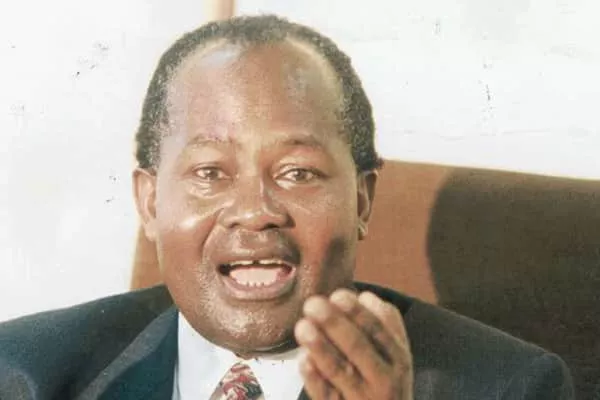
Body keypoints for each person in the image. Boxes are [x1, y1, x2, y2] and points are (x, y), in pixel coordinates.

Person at [0, 15, 574, 400]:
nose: (255, 212)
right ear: (149, 202)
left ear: (362, 199)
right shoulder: (23, 374)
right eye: (210, 173)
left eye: (297, 172)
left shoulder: (512, 387)